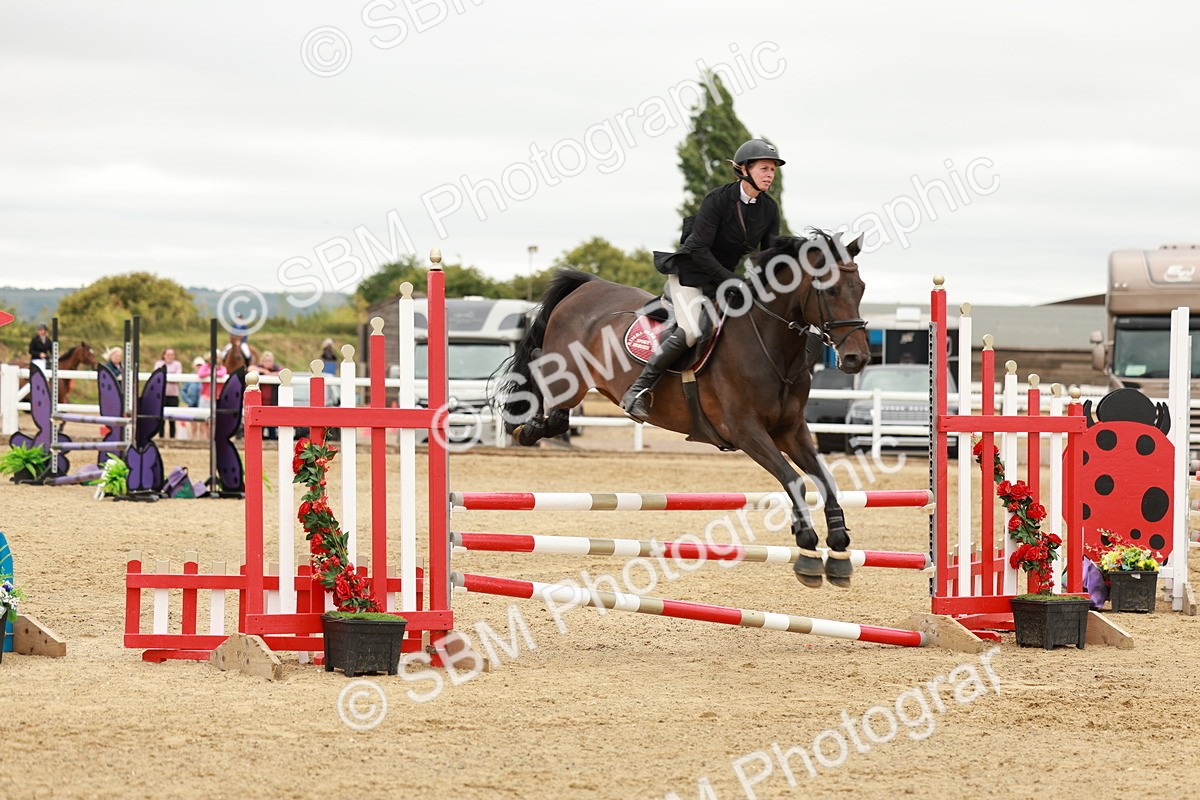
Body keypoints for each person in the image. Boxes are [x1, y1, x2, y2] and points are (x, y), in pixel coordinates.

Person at [621, 138, 784, 421]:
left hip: (723, 282)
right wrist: (730, 279)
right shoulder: (718, 200)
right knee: (693, 330)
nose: (770, 174)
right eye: (764, 168)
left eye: (773, 169)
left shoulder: (768, 209)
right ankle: (637, 390)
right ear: (744, 169)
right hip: (690, 275)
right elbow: (697, 247)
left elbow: (769, 254)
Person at [250, 351, 282, 440]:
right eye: (266, 360)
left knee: (272, 425)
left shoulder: (276, 368)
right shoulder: (258, 369)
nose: (268, 363)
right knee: (259, 425)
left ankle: (272, 441)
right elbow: (250, 368)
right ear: (262, 361)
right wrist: (264, 371)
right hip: (260, 402)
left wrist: (269, 374)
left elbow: (283, 372)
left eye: (270, 361)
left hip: (272, 402)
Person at [154, 348, 183, 438]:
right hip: (161, 394)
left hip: (173, 394)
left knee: (172, 418)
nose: (170, 357)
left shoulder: (177, 364)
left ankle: (172, 437)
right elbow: (157, 376)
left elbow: (178, 376)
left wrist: (167, 377)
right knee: (161, 419)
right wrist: (171, 376)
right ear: (164, 355)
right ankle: (161, 437)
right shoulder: (159, 363)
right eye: (168, 355)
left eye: (172, 355)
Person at [320, 338, 339, 406]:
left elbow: (328, 359)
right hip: (330, 371)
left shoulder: (327, 351)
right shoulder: (330, 351)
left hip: (328, 371)